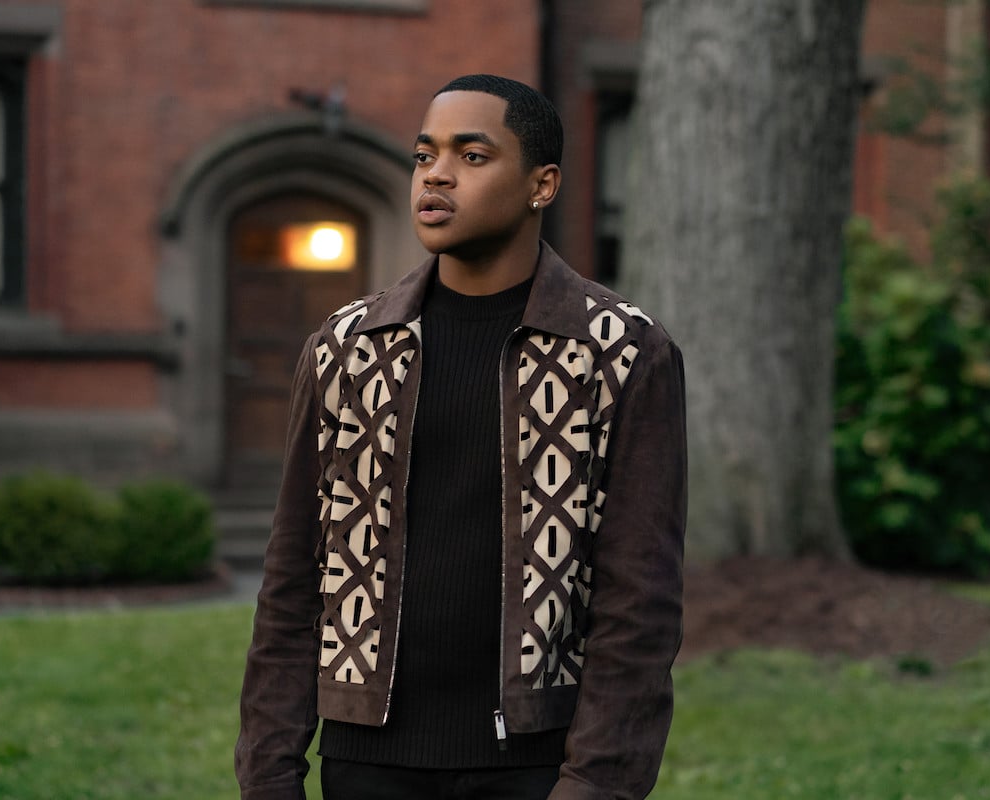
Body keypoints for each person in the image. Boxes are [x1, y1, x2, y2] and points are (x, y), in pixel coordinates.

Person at [235, 73, 687, 800]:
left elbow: (639, 606)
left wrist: (595, 786)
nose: (437, 175)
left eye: (472, 156)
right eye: (424, 155)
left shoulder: (620, 353)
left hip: (534, 767)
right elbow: (293, 580)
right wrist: (269, 775)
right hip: (366, 763)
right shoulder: (348, 348)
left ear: (542, 185)